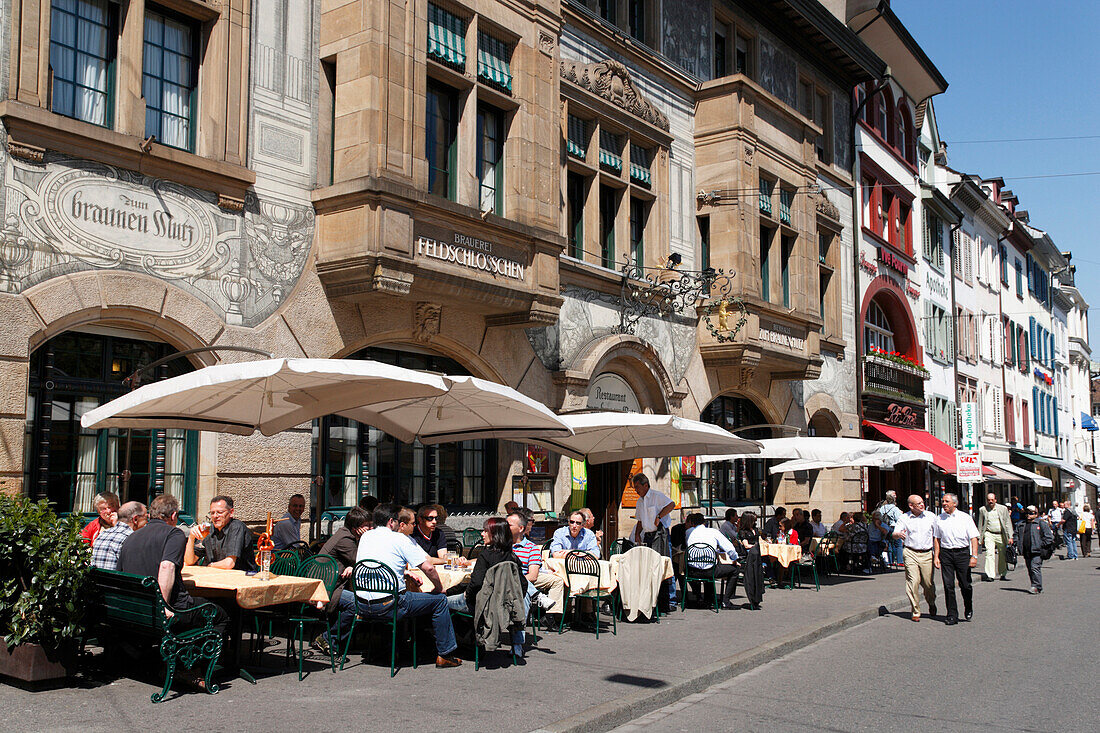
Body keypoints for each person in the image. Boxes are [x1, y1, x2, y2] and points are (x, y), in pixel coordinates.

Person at [117, 493, 228, 688]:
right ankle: (188, 669)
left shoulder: (132, 537)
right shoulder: (174, 533)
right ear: (174, 516)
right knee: (220, 614)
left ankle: (170, 660)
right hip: (165, 610)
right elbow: (167, 567)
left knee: (204, 605)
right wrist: (164, 605)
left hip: (135, 612)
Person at [355, 504, 462, 668]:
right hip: (390, 605)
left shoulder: (366, 537)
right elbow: (428, 567)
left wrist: (404, 573)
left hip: (362, 604)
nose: (400, 524)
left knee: (414, 598)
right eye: (398, 521)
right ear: (391, 522)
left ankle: (400, 648)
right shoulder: (399, 539)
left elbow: (378, 564)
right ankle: (445, 654)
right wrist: (439, 587)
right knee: (439, 600)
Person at [447, 518, 530, 658]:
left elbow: (477, 583)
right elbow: (523, 584)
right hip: (504, 607)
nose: (482, 534)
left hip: (482, 605)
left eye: (486, 531)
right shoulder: (512, 557)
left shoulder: (485, 555)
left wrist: (466, 595)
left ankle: (449, 647)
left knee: (441, 602)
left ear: (495, 534)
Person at [312, 506, 373, 656]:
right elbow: (363, 560)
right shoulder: (345, 539)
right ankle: (328, 638)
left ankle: (342, 638)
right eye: (367, 526)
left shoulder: (346, 535)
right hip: (325, 588)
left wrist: (352, 566)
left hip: (332, 584)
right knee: (355, 604)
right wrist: (354, 564)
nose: (371, 528)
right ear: (356, 528)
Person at [628, 472, 677, 606]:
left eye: (637, 487)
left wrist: (659, 516)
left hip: (660, 535)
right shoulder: (639, 501)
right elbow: (639, 520)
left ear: (645, 485)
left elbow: (671, 504)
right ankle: (655, 598)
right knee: (651, 567)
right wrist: (637, 534)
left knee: (665, 564)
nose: (636, 490)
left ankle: (670, 600)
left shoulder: (656, 496)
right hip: (648, 536)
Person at [932, 493, 979, 625]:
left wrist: (974, 556)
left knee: (965, 584)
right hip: (946, 553)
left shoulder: (965, 518)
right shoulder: (939, 519)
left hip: (962, 553)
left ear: (954, 503)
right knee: (948, 585)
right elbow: (937, 538)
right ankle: (952, 614)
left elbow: (974, 538)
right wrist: (936, 556)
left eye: (947, 501)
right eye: (942, 501)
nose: (944, 504)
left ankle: (968, 606)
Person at [892, 494, 937, 622]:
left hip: (927, 553)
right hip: (910, 552)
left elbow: (938, 535)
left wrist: (938, 555)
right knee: (913, 581)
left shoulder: (931, 516)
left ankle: (931, 602)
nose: (922, 505)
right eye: (919, 503)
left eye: (922, 502)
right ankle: (915, 610)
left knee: (928, 583)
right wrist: (898, 534)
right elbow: (895, 533)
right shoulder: (904, 518)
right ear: (911, 506)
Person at [506, 511, 560, 615]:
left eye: (508, 525)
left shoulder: (532, 548)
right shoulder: (502, 545)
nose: (505, 528)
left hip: (521, 580)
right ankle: (537, 596)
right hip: (504, 581)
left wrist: (517, 581)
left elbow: (533, 575)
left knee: (524, 592)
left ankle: (550, 617)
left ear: (521, 528)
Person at [184, 496, 257, 571]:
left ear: (231, 512)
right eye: (212, 513)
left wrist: (210, 565)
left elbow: (229, 564)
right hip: (217, 576)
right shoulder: (209, 529)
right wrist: (191, 537)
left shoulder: (236, 527)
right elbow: (189, 561)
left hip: (242, 577)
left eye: (220, 512)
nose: (215, 516)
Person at [684, 513, 740, 610]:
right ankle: (726, 601)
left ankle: (701, 597)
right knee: (735, 570)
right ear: (704, 523)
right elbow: (730, 549)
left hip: (693, 571)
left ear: (692, 523)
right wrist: (734, 559)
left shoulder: (689, 532)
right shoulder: (713, 532)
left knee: (692, 568)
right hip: (710, 571)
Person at [91, 501, 147, 570]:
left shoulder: (102, 535)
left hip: (97, 579)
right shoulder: (131, 538)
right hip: (117, 580)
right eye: (146, 518)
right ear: (135, 519)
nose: (147, 523)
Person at [1015, 505, 1053, 594]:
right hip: (1026, 551)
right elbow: (1016, 535)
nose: (1028, 515)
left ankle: (1036, 586)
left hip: (1037, 552)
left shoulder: (1041, 524)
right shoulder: (1021, 524)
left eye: (1031, 513)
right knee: (1030, 569)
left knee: (1035, 567)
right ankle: (1036, 585)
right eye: (1027, 513)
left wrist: (1040, 545)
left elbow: (1049, 538)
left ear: (1036, 514)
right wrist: (1016, 543)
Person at [977, 492, 1013, 581]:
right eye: (989, 500)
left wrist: (1010, 536)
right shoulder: (983, 510)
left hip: (1001, 534)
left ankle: (1002, 573)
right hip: (989, 533)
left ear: (995, 500)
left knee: (1002, 554)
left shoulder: (1003, 509)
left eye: (992, 500)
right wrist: (979, 538)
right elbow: (980, 524)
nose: (990, 501)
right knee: (989, 553)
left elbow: (1008, 522)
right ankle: (990, 575)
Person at [736, 512, 763, 609]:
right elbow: (746, 545)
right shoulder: (743, 532)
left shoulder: (755, 529)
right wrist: (755, 546)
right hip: (750, 554)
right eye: (753, 520)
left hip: (758, 553)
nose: (755, 522)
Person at [879, 491, 904, 568]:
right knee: (898, 544)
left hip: (885, 527)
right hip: (893, 527)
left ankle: (890, 561)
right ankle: (900, 561)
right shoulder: (895, 509)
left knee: (888, 544)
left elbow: (880, 516)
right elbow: (898, 519)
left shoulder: (882, 508)